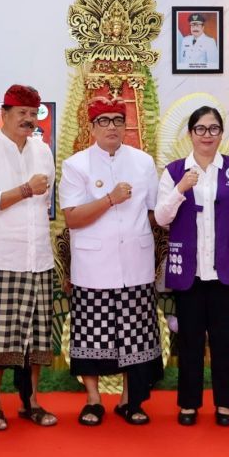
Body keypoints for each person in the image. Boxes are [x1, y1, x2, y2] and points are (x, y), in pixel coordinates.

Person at [59, 96, 162, 426]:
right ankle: (93, 400)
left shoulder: (143, 162)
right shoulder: (77, 165)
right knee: (92, 335)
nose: (112, 127)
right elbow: (72, 218)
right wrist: (109, 199)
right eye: (104, 121)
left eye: (118, 120)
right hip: (94, 266)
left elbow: (156, 213)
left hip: (136, 262)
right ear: (91, 128)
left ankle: (130, 400)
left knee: (136, 335)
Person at [154, 106, 229, 426]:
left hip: (225, 266)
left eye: (213, 129)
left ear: (221, 134)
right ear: (190, 134)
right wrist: (180, 190)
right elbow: (161, 218)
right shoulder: (173, 172)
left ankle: (225, 404)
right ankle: (189, 404)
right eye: (200, 129)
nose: (207, 136)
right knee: (190, 340)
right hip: (188, 269)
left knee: (223, 338)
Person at [0, 85, 57, 431]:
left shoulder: (42, 150)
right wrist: (24, 190)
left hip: (39, 258)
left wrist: (33, 191)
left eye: (33, 113)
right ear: (3, 114)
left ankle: (31, 401)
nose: (28, 119)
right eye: (21, 112)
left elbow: (45, 200)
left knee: (36, 337)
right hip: (0, 257)